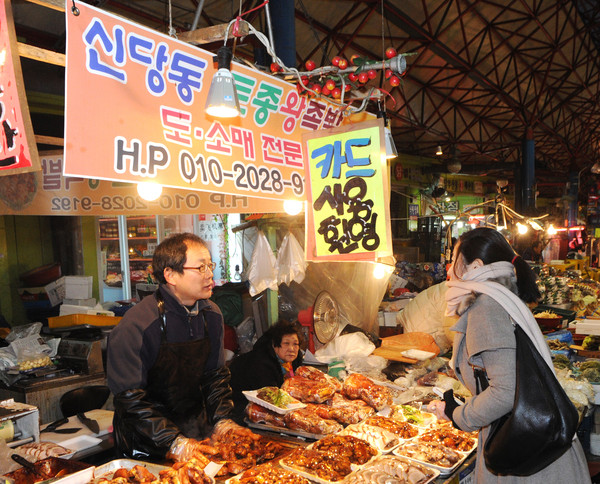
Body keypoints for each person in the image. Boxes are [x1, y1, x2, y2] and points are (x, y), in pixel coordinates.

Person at [427, 227, 591, 483]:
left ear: (475, 265)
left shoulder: (486, 307)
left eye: (454, 259)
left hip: (522, 452)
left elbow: (505, 391)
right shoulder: (503, 297)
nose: (449, 267)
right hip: (534, 444)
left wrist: (458, 415)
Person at [106, 233, 235, 461]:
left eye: (210, 265)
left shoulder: (211, 315)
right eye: (201, 267)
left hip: (196, 434)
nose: (210, 274)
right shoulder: (137, 325)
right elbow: (130, 399)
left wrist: (222, 420)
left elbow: (215, 377)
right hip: (146, 445)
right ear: (171, 275)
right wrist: (173, 442)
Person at [229, 321, 304, 418]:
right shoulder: (261, 362)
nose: (291, 349)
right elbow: (271, 398)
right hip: (240, 405)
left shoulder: (294, 360)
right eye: (286, 343)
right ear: (274, 345)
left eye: (295, 344)